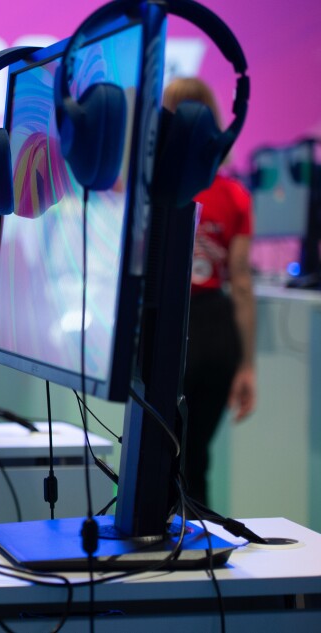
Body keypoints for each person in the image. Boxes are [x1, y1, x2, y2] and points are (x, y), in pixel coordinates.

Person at [163, 77, 257, 507]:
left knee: (160, 459)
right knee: (196, 460)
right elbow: (239, 280)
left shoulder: (154, 191)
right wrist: (247, 365)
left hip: (169, 324)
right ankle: (199, 556)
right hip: (218, 331)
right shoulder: (235, 194)